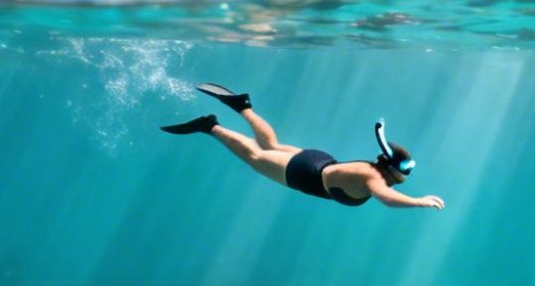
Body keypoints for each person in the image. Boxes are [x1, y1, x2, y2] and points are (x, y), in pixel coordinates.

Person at [162, 84, 443, 210]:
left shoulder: (372, 169)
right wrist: (419, 202)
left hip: (319, 160)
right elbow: (387, 199)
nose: (407, 176)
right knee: (255, 155)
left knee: (270, 144)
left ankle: (243, 107)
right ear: (393, 170)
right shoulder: (374, 178)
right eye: (407, 170)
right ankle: (210, 126)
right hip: (306, 174)